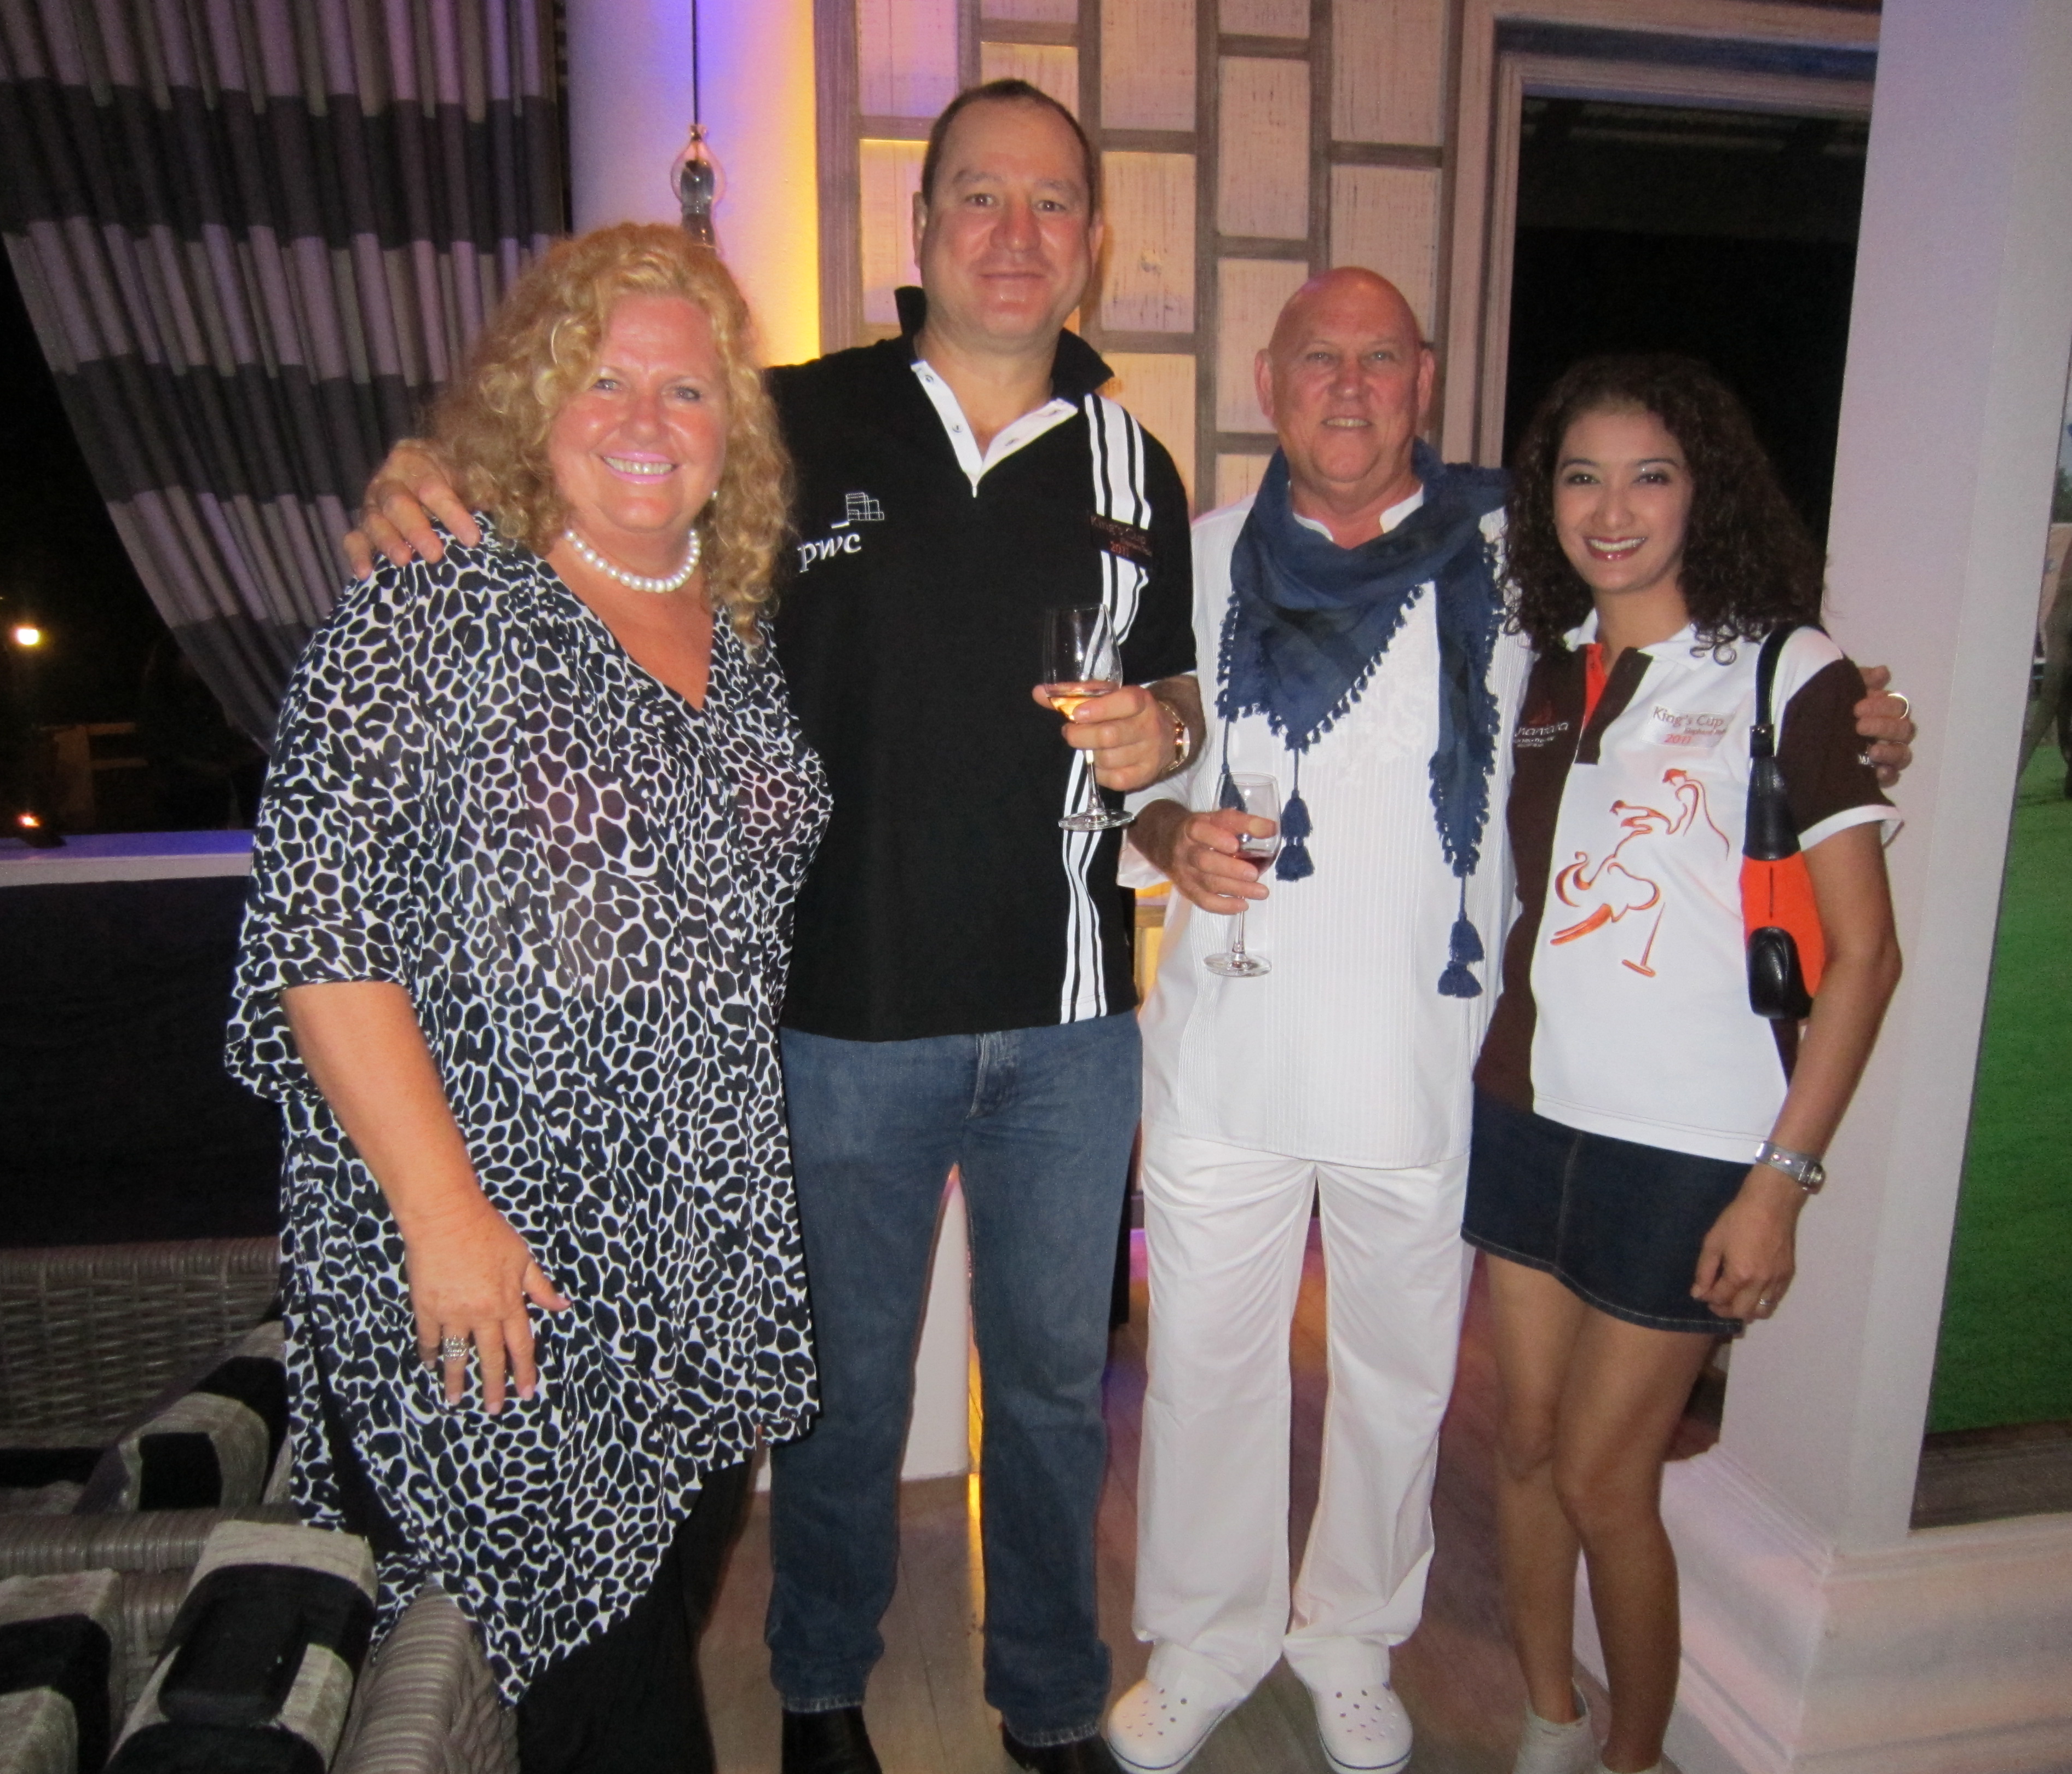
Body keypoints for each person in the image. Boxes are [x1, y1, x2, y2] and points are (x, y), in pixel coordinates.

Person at [348, 82, 1198, 1774]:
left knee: (1053, 1392)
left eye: (1051, 203)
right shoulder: (799, 417)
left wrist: (1162, 733)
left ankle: (1047, 1699)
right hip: (833, 1019)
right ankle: (819, 1691)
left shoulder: (1138, 467)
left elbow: (1170, 695)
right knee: (841, 1395)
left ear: (1092, 242)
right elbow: (604, 474)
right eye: (979, 196)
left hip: (1071, 1025)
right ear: (922, 228)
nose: (1015, 232)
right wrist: (424, 469)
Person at [1108, 273, 1916, 1774]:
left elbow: (1689, 647)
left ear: (1425, 380)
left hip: (1431, 1052)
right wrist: (1167, 836)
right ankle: (1205, 1642)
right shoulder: (1197, 558)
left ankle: (1352, 1639)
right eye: (1318, 359)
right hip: (1226, 1037)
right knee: (1207, 1367)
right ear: (1268, 381)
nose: (1350, 387)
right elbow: (1136, 773)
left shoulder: (1512, 556)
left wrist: (1846, 711)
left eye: (1381, 359)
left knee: (1399, 1375)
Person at [227, 222, 827, 1774]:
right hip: (501, 1252)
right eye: (600, 380)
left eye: (686, 391)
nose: (644, 421)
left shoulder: (744, 634)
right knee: (604, 1689)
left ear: (733, 434)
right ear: (528, 403)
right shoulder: (430, 602)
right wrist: (444, 1219)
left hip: (696, 1248)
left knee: (655, 1607)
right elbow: (320, 932)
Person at [1466, 355, 1902, 1774]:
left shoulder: (1792, 670)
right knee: (1525, 1447)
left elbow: (1865, 959)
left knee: (1607, 1477)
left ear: (1704, 492)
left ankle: (1635, 1759)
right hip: (1529, 1109)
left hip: (1694, 1144)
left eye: (1650, 475)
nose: (1613, 509)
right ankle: (1549, 1717)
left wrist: (1780, 1183)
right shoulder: (1545, 673)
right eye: (1582, 477)